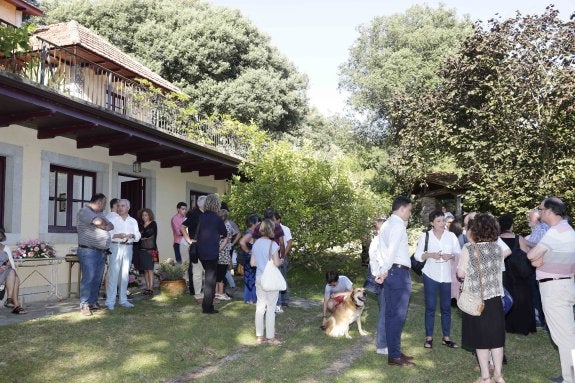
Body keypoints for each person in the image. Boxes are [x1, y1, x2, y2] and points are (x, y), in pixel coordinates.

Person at [527, 197, 575, 383]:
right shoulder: (569, 230)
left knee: (563, 336)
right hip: (565, 284)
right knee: (567, 333)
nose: (539, 213)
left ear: (549, 211)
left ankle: (570, 378)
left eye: (540, 209)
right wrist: (539, 260)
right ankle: (568, 375)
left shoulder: (555, 233)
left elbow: (532, 255)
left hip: (554, 288)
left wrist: (537, 260)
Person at [457, 214, 506, 383]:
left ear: (475, 229)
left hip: (476, 300)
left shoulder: (468, 249)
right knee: (497, 337)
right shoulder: (498, 249)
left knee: (481, 338)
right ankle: (498, 375)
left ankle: (486, 377)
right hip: (495, 298)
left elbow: (460, 273)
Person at [377, 196, 415, 367]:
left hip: (392, 272)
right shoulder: (398, 225)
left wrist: (382, 271)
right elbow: (391, 251)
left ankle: (395, 351)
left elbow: (381, 250)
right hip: (398, 273)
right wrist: (384, 271)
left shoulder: (386, 224)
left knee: (392, 315)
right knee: (397, 316)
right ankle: (394, 355)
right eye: (409, 209)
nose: (410, 213)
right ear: (402, 209)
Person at [414, 210, 461, 349]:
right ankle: (429, 338)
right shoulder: (426, 236)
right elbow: (417, 255)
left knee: (446, 307)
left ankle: (446, 338)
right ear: (431, 223)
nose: (442, 224)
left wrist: (450, 256)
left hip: (446, 276)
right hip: (430, 275)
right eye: (438, 221)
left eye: (443, 220)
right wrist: (430, 255)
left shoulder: (451, 236)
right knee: (430, 307)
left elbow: (458, 252)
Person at [76, 193, 114, 316]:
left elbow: (111, 226)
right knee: (88, 277)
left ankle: (93, 302)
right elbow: (98, 222)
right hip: (88, 251)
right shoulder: (84, 211)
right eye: (104, 203)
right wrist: (104, 225)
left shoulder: (100, 214)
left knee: (97, 278)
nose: (104, 205)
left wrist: (103, 225)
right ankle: (84, 305)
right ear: (99, 202)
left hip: (100, 252)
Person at [498, 213, 536, 335]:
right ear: (511, 225)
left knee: (506, 299)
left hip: (504, 273)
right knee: (523, 299)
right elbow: (526, 256)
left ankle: (507, 325)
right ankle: (522, 326)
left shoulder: (496, 239)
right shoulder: (518, 238)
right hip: (519, 274)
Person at [251, 219, 283, 345]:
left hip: (259, 277)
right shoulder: (273, 245)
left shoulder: (256, 243)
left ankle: (259, 337)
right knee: (271, 308)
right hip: (270, 279)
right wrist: (281, 261)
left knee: (260, 307)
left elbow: (252, 263)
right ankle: (270, 337)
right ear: (271, 230)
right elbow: (276, 263)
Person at [106, 199, 141, 310]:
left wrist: (133, 236)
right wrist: (117, 235)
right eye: (119, 206)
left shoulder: (133, 221)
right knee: (113, 275)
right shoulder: (112, 219)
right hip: (115, 247)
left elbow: (138, 235)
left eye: (123, 206)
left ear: (128, 208)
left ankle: (123, 300)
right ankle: (110, 302)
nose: (120, 208)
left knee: (125, 275)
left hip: (128, 248)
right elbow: (107, 234)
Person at [196, 193, 227, 314]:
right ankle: (207, 307)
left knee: (208, 278)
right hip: (212, 252)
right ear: (216, 204)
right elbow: (224, 233)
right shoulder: (217, 218)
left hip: (201, 251)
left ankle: (207, 305)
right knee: (210, 281)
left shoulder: (202, 216)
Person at [525, 208, 549, 329]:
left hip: (540, 265)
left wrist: (524, 243)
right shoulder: (537, 229)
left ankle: (542, 321)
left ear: (537, 218)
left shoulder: (542, 229)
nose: (528, 220)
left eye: (530, 217)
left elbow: (540, 247)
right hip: (538, 266)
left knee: (539, 294)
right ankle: (541, 320)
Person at [367, 217, 387, 355]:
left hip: (389, 277)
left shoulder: (387, 240)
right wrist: (377, 275)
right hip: (382, 278)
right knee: (385, 311)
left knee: (387, 310)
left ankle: (386, 341)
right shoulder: (376, 241)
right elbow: (373, 259)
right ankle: (381, 345)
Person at [180, 195, 206, 301]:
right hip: (197, 246)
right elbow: (182, 227)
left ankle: (206, 292)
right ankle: (198, 294)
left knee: (207, 271)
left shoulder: (209, 215)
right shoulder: (193, 214)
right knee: (197, 271)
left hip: (207, 247)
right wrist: (189, 240)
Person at [0, 227, 26, 314]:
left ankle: (10, 300)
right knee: (15, 278)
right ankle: (15, 305)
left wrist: (6, 266)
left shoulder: (5, 248)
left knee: (13, 272)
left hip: (4, 275)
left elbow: (12, 265)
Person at [215, 209, 238, 301]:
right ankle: (220, 294)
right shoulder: (228, 228)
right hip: (224, 254)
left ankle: (216, 294)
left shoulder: (215, 227)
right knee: (220, 277)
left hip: (215, 253)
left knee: (216, 276)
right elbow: (228, 239)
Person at [273, 211, 292, 312]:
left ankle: (285, 300)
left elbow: (289, 242)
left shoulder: (285, 229)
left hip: (282, 257)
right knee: (277, 279)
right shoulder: (271, 228)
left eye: (274, 220)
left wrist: (283, 255)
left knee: (283, 279)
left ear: (278, 219)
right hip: (275, 257)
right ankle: (279, 301)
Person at [239, 214, 261, 304]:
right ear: (253, 224)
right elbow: (241, 242)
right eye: (258, 222)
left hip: (248, 259)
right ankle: (251, 299)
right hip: (249, 260)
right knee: (251, 279)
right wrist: (249, 251)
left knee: (250, 279)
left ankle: (249, 298)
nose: (260, 224)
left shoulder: (250, 232)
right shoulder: (250, 233)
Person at [138, 208, 158, 296]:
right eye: (143, 215)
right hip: (142, 250)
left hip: (151, 250)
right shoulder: (141, 225)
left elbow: (148, 234)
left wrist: (141, 236)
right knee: (145, 270)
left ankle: (151, 288)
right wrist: (141, 236)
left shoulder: (153, 224)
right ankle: (147, 287)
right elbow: (139, 236)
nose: (144, 217)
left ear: (149, 215)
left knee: (150, 269)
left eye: (146, 215)